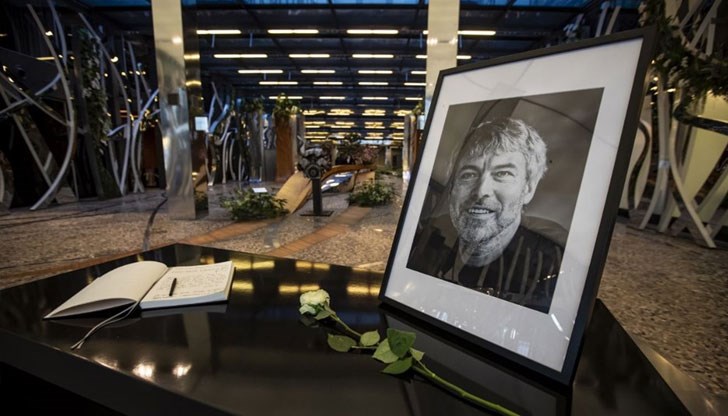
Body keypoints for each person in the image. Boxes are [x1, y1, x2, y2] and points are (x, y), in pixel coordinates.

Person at [407, 118, 564, 313]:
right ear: (453, 187)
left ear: (528, 188)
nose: (481, 191)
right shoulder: (426, 235)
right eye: (469, 174)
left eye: (503, 174)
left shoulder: (552, 265)